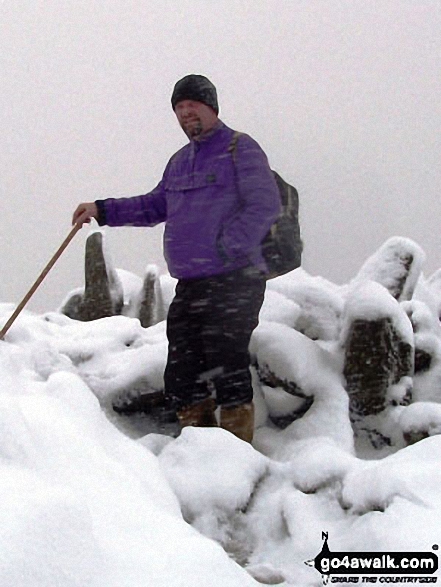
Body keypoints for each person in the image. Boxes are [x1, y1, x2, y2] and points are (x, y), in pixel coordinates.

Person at [72, 74, 281, 442]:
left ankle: (236, 453)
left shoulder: (239, 149)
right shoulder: (179, 162)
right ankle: (199, 446)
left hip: (235, 278)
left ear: (211, 108)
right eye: (179, 109)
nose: (186, 114)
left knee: (226, 363)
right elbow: (154, 205)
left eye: (193, 106)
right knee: (183, 371)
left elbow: (265, 204)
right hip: (192, 283)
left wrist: (225, 247)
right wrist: (101, 210)